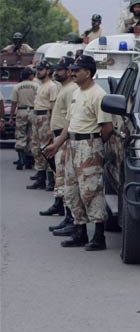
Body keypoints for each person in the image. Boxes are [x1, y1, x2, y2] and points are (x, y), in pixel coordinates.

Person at [44, 55, 113, 252]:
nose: (72, 72)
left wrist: (94, 146)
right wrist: (57, 144)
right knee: (72, 190)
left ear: (88, 73)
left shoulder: (98, 94)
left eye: (77, 69)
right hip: (72, 145)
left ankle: (99, 236)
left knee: (91, 191)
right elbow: (69, 122)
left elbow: (107, 127)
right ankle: (80, 231)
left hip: (88, 145)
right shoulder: (78, 92)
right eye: (72, 69)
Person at [40, 57, 78, 228]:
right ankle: (61, 207)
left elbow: (71, 119)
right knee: (60, 175)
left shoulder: (71, 90)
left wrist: (60, 139)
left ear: (70, 71)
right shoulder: (64, 88)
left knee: (66, 177)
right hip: (58, 136)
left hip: (65, 138)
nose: (56, 72)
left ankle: (70, 217)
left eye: (61, 69)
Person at [27, 60, 59, 191]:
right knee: (36, 147)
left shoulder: (52, 86)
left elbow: (53, 108)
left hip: (45, 117)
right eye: (38, 69)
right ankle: (40, 178)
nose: (38, 71)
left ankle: (51, 180)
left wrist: (51, 126)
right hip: (36, 117)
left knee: (46, 148)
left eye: (41, 69)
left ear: (48, 70)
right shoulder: (40, 85)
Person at [8, 68, 38, 170]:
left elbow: (13, 103)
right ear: (30, 76)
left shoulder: (17, 87)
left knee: (20, 134)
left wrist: (11, 117)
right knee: (31, 135)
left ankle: (21, 159)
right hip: (33, 111)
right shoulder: (36, 86)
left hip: (21, 111)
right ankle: (29, 160)